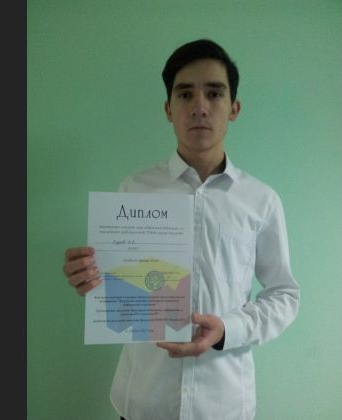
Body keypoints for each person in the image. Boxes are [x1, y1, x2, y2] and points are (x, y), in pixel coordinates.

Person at [63, 39, 300, 420]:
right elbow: (118, 288)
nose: (199, 106)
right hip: (144, 403)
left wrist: (229, 329)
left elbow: (284, 295)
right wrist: (89, 278)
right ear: (168, 109)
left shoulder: (262, 200)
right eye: (185, 94)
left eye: (214, 93)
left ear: (234, 108)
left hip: (224, 405)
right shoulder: (134, 189)